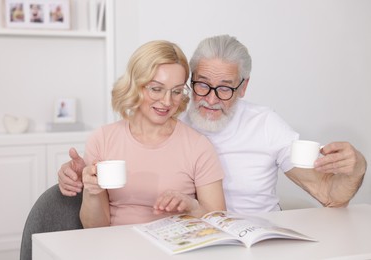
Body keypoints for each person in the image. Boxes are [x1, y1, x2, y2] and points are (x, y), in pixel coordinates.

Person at [58, 35, 367, 214]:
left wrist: (356, 168)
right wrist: (76, 175)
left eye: (226, 88)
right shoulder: (170, 114)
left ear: (243, 88)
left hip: (256, 236)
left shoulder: (266, 125)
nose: (210, 99)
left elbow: (329, 195)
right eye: (202, 85)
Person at [76, 40, 225, 228]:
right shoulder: (102, 139)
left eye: (177, 91)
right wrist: (92, 191)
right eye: (156, 89)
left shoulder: (198, 146)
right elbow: (94, 229)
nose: (167, 101)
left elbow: (220, 223)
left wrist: (192, 207)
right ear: (135, 85)